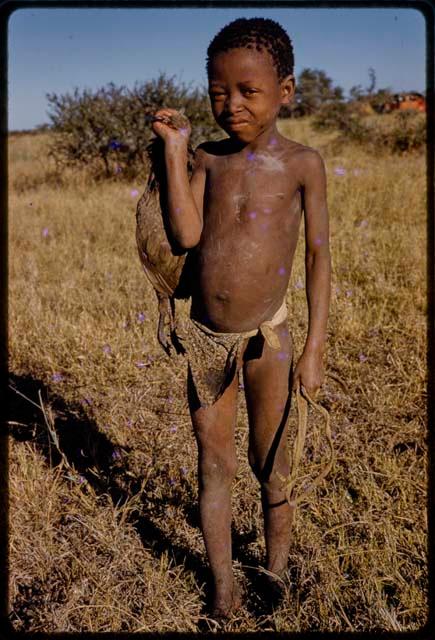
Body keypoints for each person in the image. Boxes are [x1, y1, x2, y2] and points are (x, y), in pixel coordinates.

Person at [151, 17, 331, 620]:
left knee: (271, 466)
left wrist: (314, 347)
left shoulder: (304, 164)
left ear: (286, 91)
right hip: (206, 340)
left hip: (270, 338)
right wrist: (177, 152)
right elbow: (185, 234)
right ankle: (223, 584)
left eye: (248, 91)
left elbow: (318, 255)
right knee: (214, 464)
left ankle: (275, 574)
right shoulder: (208, 158)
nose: (231, 105)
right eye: (217, 92)